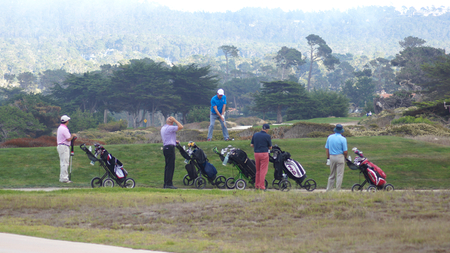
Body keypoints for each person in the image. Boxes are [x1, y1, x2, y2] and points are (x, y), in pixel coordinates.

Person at [161, 116, 183, 189]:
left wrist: (174, 141)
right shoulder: (170, 128)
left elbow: (168, 137)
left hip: (165, 147)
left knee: (167, 167)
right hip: (170, 148)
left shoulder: (163, 128)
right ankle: (169, 184)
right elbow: (181, 127)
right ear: (172, 122)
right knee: (171, 167)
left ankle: (166, 183)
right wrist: (175, 120)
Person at [325, 124, 348, 191]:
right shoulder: (343, 139)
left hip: (332, 156)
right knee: (339, 175)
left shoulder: (330, 137)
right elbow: (345, 151)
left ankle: (329, 189)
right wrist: (345, 158)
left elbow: (327, 148)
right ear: (341, 131)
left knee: (332, 174)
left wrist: (328, 158)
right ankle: (337, 190)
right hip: (340, 156)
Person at [250, 124, 272, 190]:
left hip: (256, 153)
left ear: (262, 128)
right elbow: (270, 147)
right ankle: (262, 186)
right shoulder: (267, 136)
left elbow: (251, 145)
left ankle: (257, 185)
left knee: (258, 170)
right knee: (263, 171)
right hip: (264, 154)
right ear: (267, 129)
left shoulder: (255, 134)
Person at [56, 115, 77, 183]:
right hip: (64, 146)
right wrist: (73, 135)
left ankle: (62, 178)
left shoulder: (60, 128)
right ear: (67, 121)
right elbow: (68, 139)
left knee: (62, 162)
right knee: (65, 163)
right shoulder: (65, 129)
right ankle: (64, 178)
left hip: (60, 146)